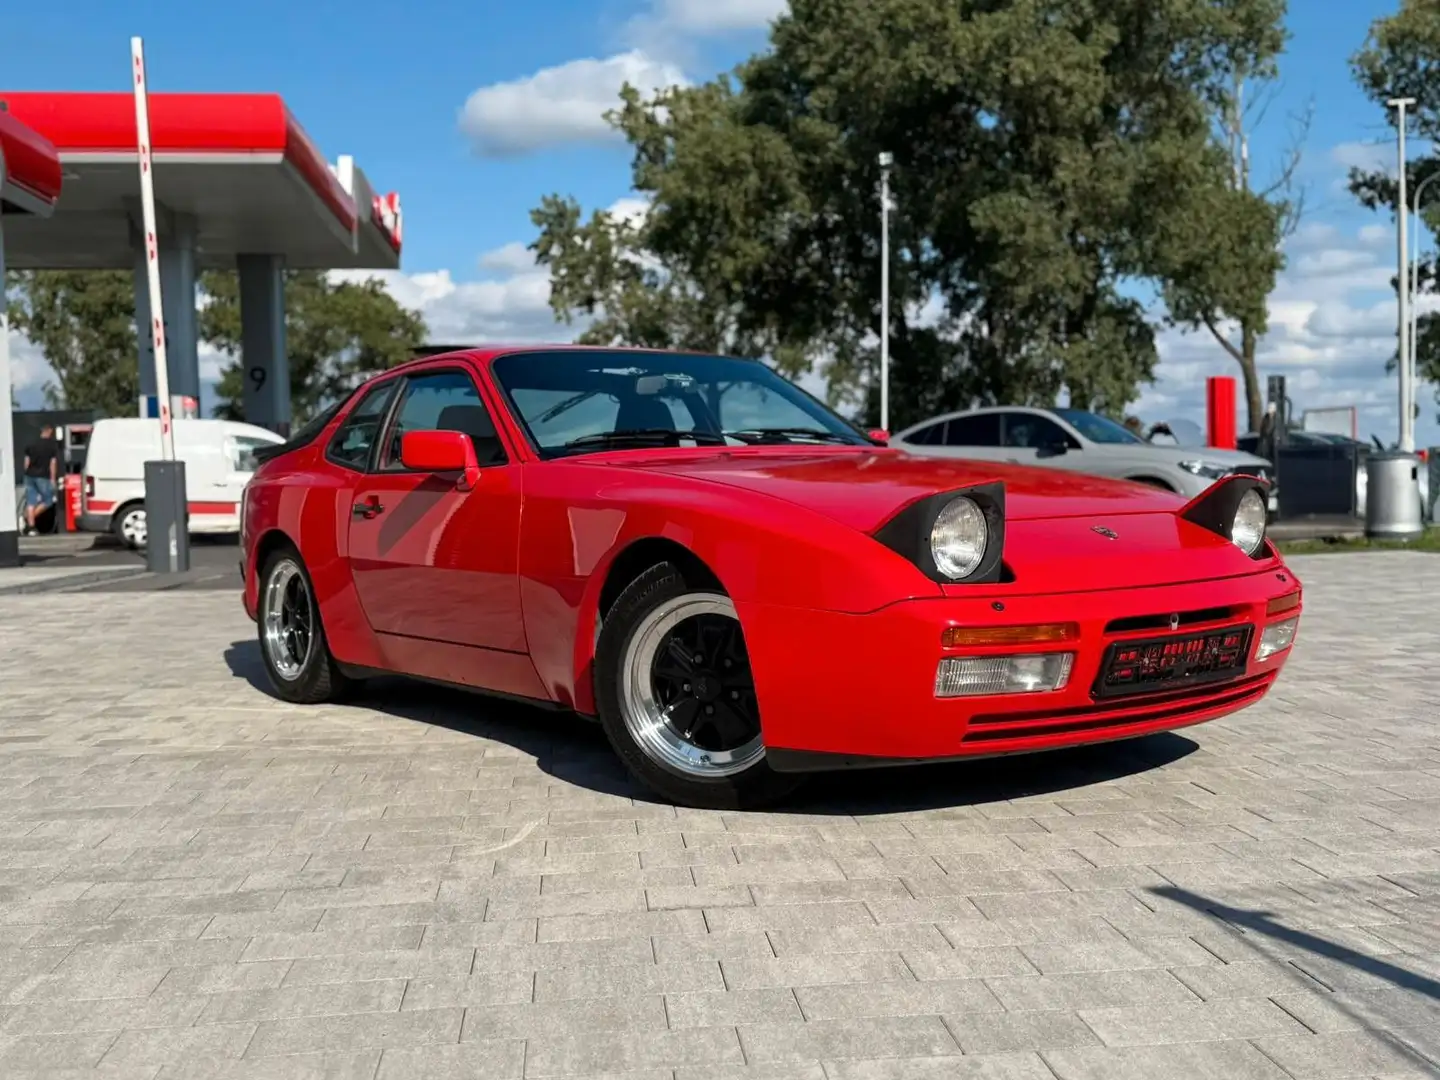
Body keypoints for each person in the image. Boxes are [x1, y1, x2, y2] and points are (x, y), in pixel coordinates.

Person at [22, 425, 59, 536]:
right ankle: (29, 518)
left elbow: (26, 462)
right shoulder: (52, 446)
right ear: (49, 431)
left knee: (31, 501)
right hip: (43, 476)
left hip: (29, 476)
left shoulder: (31, 445)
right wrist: (53, 479)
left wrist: (27, 473)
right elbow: (52, 463)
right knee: (48, 501)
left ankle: (31, 527)